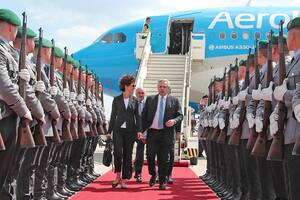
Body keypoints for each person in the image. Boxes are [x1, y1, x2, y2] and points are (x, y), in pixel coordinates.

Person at [142, 79, 183, 190]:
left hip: (166, 133)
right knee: (150, 156)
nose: (162, 88)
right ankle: (153, 174)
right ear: (157, 87)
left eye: (164, 87)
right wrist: (141, 131)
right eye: (160, 86)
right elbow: (144, 116)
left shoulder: (174, 100)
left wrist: (174, 121)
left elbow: (180, 116)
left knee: (164, 159)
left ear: (168, 88)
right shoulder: (150, 99)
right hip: (152, 132)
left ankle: (162, 181)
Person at [106, 74, 142, 189]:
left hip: (130, 131)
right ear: (126, 86)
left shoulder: (135, 101)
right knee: (117, 153)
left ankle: (124, 179)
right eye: (133, 85)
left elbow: (138, 117)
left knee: (127, 154)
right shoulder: (116, 100)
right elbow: (112, 116)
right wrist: (109, 131)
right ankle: (117, 176)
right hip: (118, 131)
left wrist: (139, 130)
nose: (134, 87)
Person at [133, 87, 146, 183]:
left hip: (144, 132)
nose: (141, 95)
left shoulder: (148, 105)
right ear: (135, 93)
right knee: (128, 152)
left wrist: (144, 133)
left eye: (142, 93)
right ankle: (132, 171)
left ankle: (138, 174)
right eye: (139, 93)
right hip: (131, 132)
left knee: (140, 154)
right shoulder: (131, 103)